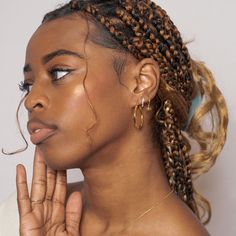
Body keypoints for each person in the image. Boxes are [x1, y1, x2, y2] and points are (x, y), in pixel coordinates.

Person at [0, 0, 228, 235]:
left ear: (141, 83)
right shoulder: (28, 217)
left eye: (59, 72)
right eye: (27, 85)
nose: (31, 100)